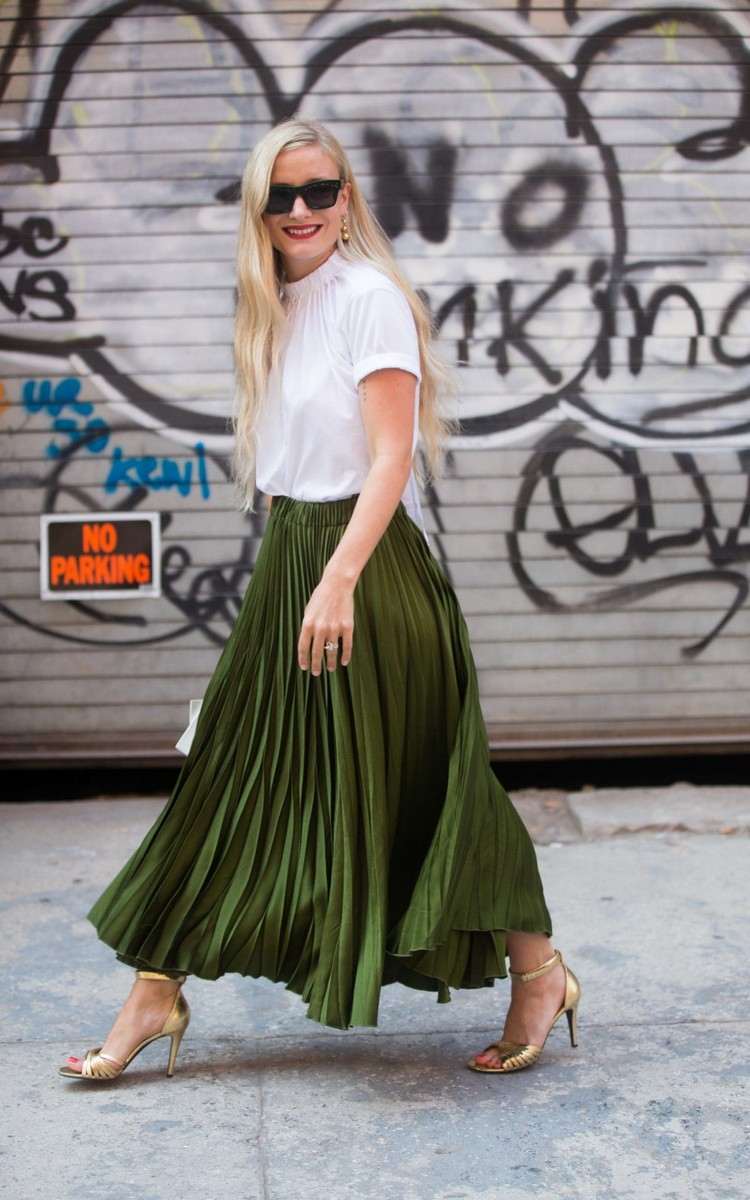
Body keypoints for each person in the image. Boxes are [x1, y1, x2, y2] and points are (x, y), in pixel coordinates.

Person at [58, 117, 580, 1083]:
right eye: (282, 195)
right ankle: (155, 988)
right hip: (300, 556)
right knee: (237, 769)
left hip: (365, 570)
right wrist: (300, 559)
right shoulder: (276, 305)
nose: (303, 211)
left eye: (322, 191)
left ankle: (538, 971)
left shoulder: (366, 297)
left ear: (349, 198)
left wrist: (337, 579)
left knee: (426, 779)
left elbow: (391, 456)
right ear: (257, 209)